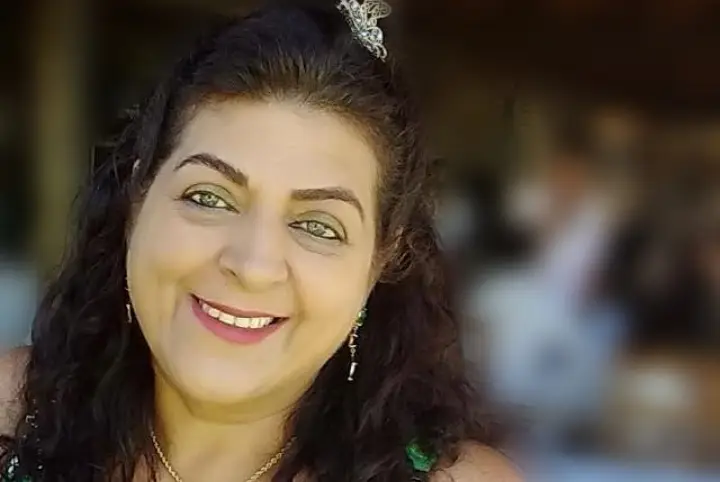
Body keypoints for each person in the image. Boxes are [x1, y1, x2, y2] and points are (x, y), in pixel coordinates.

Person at [0, 1, 521, 481]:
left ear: (381, 263)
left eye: (318, 226)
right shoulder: (13, 415)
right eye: (209, 198)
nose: (252, 265)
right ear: (137, 199)